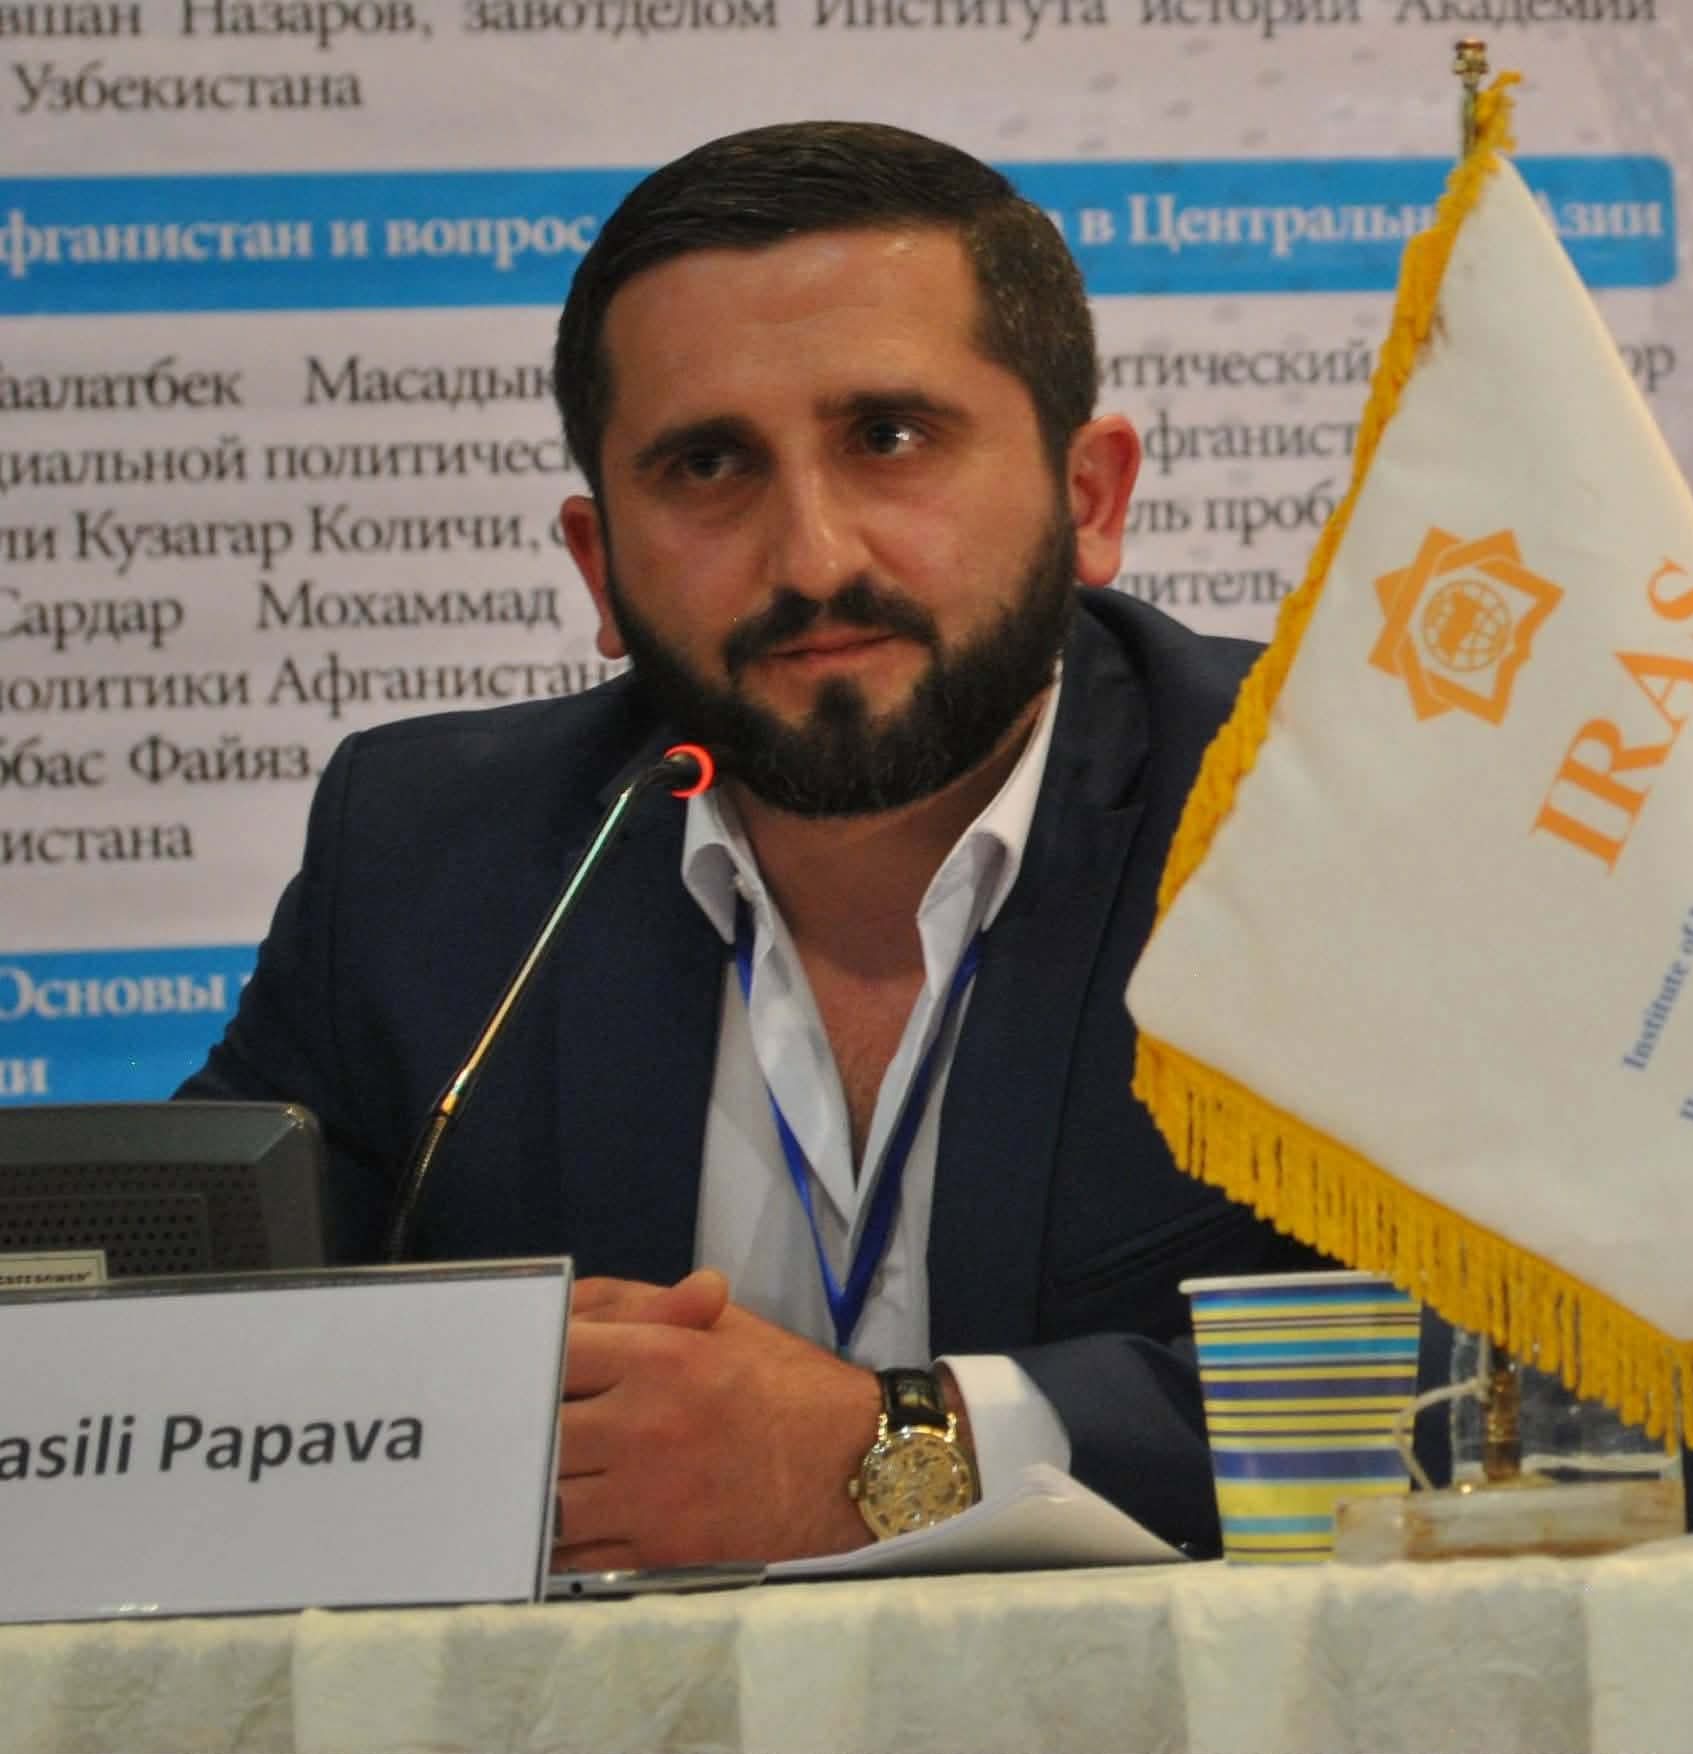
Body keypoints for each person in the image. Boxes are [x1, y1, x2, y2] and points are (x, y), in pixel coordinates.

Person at [179, 120, 1325, 1570]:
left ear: (1088, 497)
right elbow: (167, 1358)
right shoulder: (431, 858)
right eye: (709, 464)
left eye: (889, 438)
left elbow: (1538, 1374)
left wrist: (889, 1455)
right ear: (600, 564)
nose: (813, 557)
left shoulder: (1328, 812)